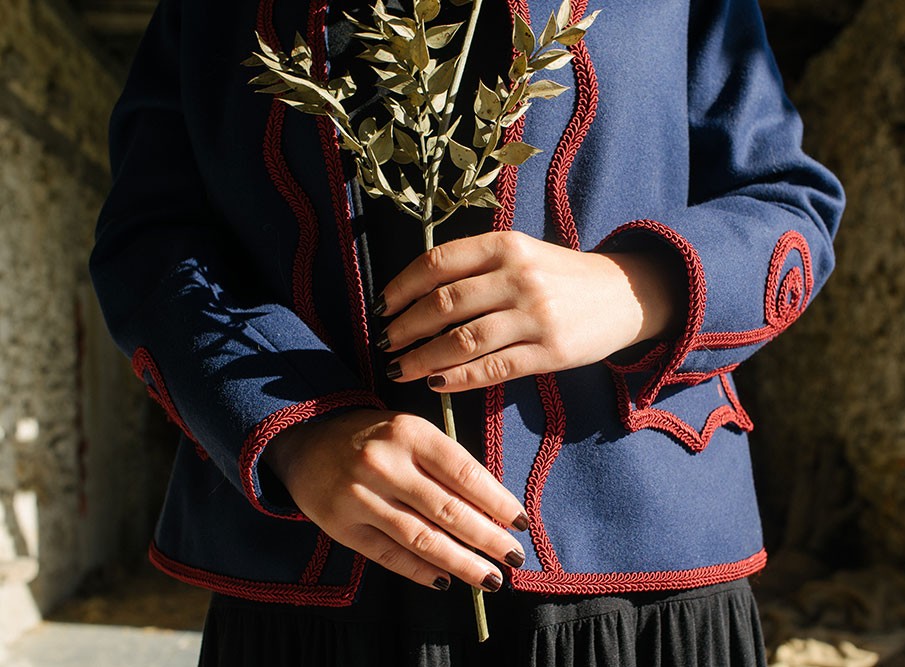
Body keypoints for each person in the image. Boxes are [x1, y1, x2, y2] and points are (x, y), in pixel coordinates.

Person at [90, 0, 845, 664]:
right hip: (314, 594)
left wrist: (629, 290)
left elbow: (791, 209)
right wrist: (293, 428)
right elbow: (149, 235)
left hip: (638, 590)